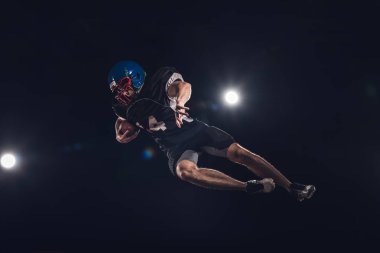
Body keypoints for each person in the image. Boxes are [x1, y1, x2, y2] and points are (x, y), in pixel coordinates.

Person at [109, 60, 315, 201]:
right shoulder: (124, 107)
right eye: (118, 90)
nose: (122, 93)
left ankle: (291, 186)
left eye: (124, 86)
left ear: (135, 77)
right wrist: (120, 134)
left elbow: (184, 86)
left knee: (239, 153)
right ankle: (247, 185)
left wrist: (180, 103)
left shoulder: (159, 81)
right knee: (185, 172)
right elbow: (125, 123)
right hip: (174, 146)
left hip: (194, 130)